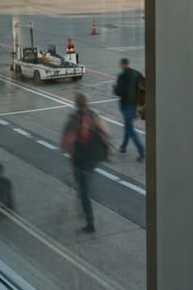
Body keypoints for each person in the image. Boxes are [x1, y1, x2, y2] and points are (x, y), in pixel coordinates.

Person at [62, 93, 108, 233]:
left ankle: (89, 222)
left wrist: (70, 152)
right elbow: (105, 131)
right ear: (87, 103)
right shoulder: (94, 116)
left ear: (76, 104)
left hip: (79, 160)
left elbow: (66, 142)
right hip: (92, 160)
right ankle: (85, 211)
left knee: (83, 191)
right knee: (85, 189)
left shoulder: (74, 119)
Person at [114, 58, 145, 161]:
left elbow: (119, 92)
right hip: (135, 105)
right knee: (128, 126)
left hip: (126, 105)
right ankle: (123, 146)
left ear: (123, 65)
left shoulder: (122, 76)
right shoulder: (137, 73)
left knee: (130, 128)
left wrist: (115, 88)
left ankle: (141, 150)